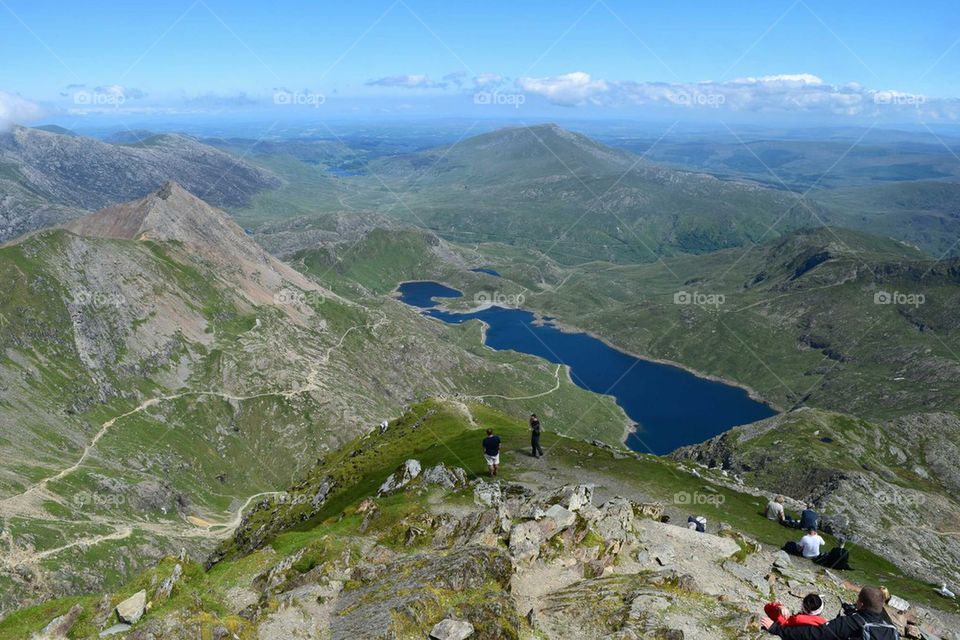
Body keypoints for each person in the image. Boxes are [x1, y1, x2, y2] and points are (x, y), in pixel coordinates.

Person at [762, 587, 901, 639]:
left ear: (862, 604)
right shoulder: (890, 627)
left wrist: (776, 629)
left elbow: (813, 634)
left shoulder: (848, 623)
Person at [763, 593, 828, 629]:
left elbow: (767, 608)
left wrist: (778, 607)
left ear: (803, 607)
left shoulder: (794, 620)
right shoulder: (825, 624)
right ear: (820, 611)